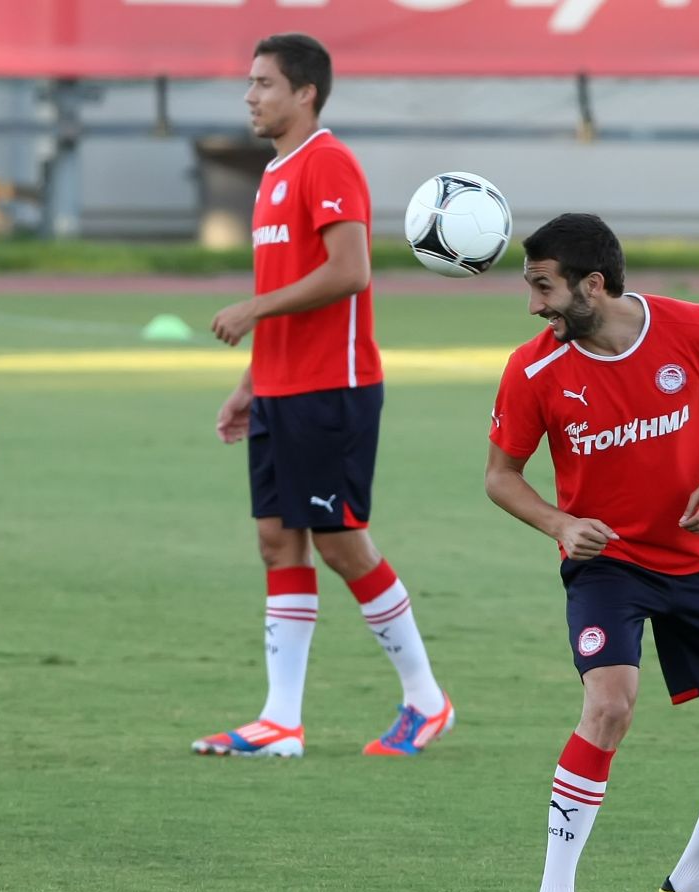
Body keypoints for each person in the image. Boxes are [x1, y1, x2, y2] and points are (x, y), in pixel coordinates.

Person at [484, 213, 699, 892]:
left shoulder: (691, 329)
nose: (534, 305)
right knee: (610, 704)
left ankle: (691, 886)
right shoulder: (533, 370)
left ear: (593, 284)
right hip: (610, 567)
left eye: (544, 287)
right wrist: (560, 524)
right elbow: (501, 478)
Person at [193, 33, 453, 759]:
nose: (251, 95)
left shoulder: (328, 163)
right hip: (280, 390)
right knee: (278, 538)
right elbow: (298, 284)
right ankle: (280, 719)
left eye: (264, 83)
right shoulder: (274, 174)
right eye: (250, 83)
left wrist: (252, 308)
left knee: (340, 541)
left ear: (305, 93)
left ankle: (426, 700)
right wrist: (250, 384)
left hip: (331, 391)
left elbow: (351, 271)